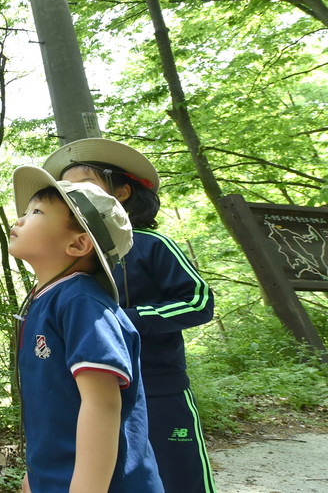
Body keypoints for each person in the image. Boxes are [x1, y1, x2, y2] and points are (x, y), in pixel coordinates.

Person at [43, 138, 216, 493]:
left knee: (181, 473)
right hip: (96, 396)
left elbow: (199, 302)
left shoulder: (152, 244)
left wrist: (126, 320)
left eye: (84, 186)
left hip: (161, 386)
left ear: (121, 193)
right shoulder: (75, 261)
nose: (73, 196)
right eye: (66, 190)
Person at [10, 165, 163, 493]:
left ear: (79, 245)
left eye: (36, 211)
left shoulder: (82, 303)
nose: (20, 219)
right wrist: (35, 476)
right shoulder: (46, 300)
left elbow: (102, 404)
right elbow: (51, 404)